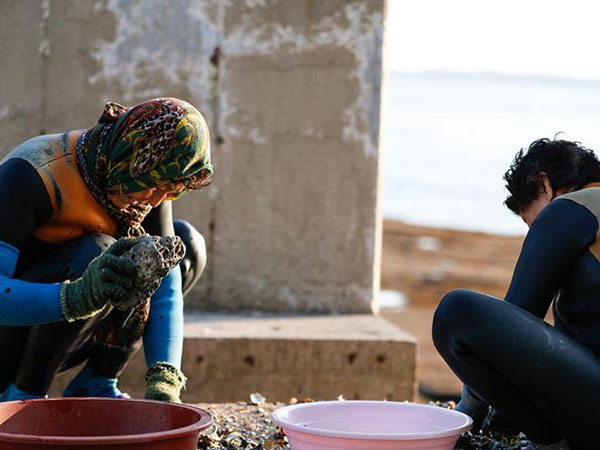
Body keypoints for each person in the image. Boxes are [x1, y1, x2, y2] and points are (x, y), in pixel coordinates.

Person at [0, 97, 212, 403]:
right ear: (132, 155)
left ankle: (97, 381)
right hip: (10, 336)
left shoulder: (144, 179)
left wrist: (164, 378)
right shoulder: (33, 174)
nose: (154, 201)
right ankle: (22, 397)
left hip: (71, 335)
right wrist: (77, 296)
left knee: (184, 244)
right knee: (98, 251)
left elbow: (165, 282)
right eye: (155, 186)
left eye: (170, 191)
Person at [432, 138, 600, 450]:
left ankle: (547, 446)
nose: (534, 231)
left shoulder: (577, 206)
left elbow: (520, 312)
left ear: (545, 185)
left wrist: (464, 419)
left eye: (530, 221)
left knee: (457, 313)